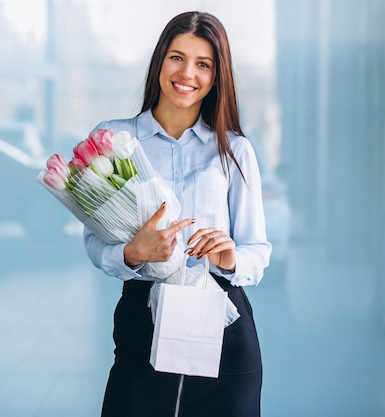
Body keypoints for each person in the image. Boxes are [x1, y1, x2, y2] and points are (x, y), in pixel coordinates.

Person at [83, 11, 271, 417]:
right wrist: (133, 253)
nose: (187, 73)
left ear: (217, 76)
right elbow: (95, 243)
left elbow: (258, 251)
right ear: (159, 62)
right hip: (143, 320)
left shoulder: (234, 150)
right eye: (177, 57)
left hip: (224, 324)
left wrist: (230, 256)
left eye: (203, 64)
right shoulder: (115, 140)